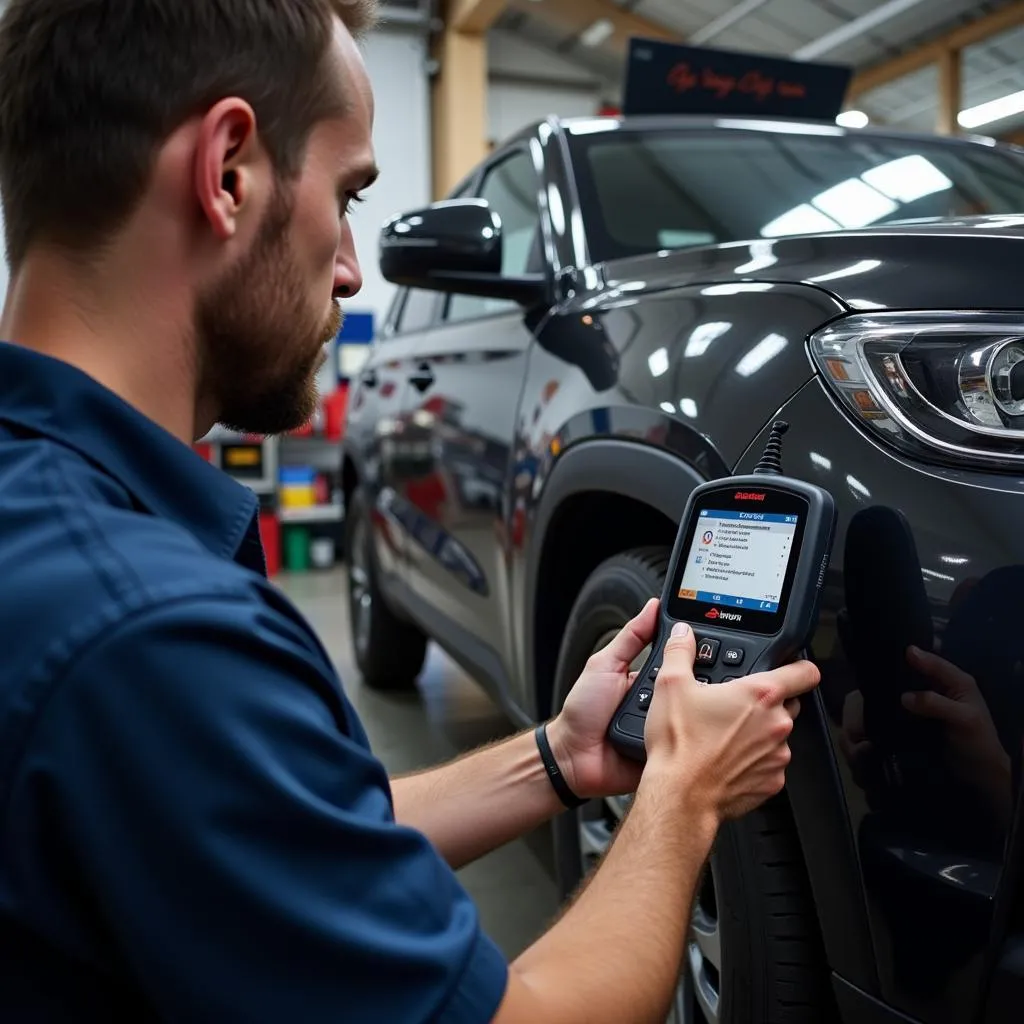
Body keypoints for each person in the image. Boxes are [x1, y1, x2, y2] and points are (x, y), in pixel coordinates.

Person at [0, 2, 821, 1022]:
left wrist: (559, 758)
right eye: (346, 197)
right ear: (227, 173)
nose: (350, 268)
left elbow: (284, 834)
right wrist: (683, 792)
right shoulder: (151, 632)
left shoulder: (53, 524)